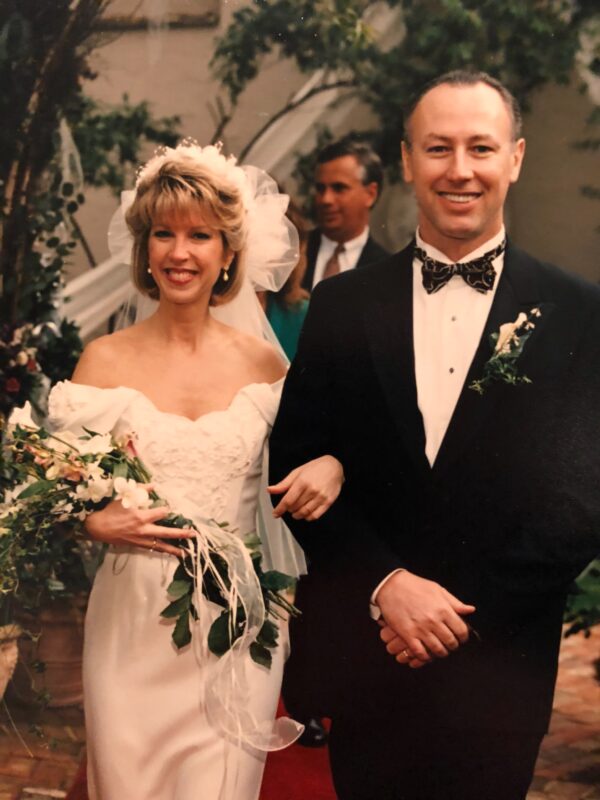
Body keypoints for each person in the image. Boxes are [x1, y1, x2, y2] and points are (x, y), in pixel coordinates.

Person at [269, 71, 600, 799]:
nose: (460, 169)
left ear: (515, 158)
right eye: (438, 147)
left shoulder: (579, 313)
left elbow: (582, 501)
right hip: (370, 656)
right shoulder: (342, 304)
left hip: (499, 665)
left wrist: (453, 618)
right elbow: (291, 460)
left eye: (480, 147)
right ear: (408, 159)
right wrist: (386, 587)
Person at [48, 141, 344, 800]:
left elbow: (319, 456)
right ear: (144, 247)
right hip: (130, 624)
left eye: (200, 235)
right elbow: (58, 495)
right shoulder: (101, 362)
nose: (179, 253)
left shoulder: (267, 367)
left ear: (229, 251)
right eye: (164, 233)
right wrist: (94, 524)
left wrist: (333, 464)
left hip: (237, 625)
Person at [302, 138, 390, 291]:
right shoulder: (294, 251)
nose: (326, 199)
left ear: (370, 194)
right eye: (320, 189)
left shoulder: (388, 271)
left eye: (339, 188)